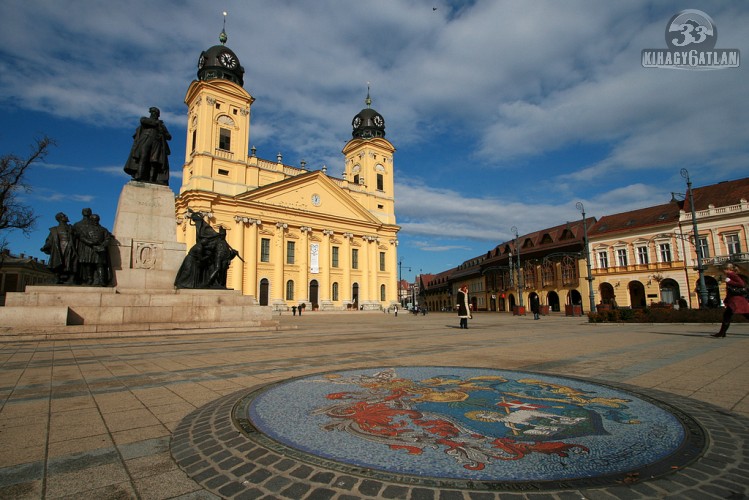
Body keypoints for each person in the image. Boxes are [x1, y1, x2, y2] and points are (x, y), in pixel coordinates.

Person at [124, 107, 172, 185]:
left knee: (154, 161)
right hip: (145, 140)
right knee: (143, 157)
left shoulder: (161, 125)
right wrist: (157, 124)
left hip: (157, 143)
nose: (155, 114)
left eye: (157, 113)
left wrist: (163, 131)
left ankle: (152, 179)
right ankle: (139, 176)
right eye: (154, 113)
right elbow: (144, 121)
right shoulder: (145, 119)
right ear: (151, 113)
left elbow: (169, 137)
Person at [712, 263, 749, 338]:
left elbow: (742, 284)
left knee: (744, 315)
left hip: (737, 300)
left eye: (724, 270)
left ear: (728, 269)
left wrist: (729, 281)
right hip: (734, 300)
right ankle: (722, 333)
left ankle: (722, 333)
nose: (724, 271)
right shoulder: (731, 275)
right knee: (727, 315)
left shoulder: (733, 275)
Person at [40, 212, 78, 284]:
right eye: (64, 216)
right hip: (59, 248)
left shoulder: (71, 228)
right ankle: (57, 277)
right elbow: (50, 240)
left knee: (71, 262)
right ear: (60, 218)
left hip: (70, 247)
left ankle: (71, 278)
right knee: (58, 262)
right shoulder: (55, 229)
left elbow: (77, 237)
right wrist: (45, 247)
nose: (66, 216)